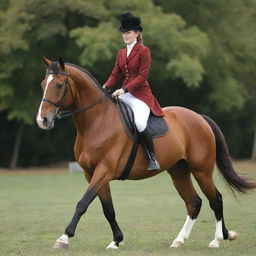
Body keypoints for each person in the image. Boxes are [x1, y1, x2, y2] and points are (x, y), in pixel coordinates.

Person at [103, 12, 164, 171]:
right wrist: (104, 88)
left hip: (141, 96)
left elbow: (143, 77)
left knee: (139, 123)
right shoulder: (121, 53)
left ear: (137, 33)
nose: (125, 36)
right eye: (123, 33)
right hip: (124, 94)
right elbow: (115, 73)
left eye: (128, 32)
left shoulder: (144, 51)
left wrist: (124, 89)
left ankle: (152, 157)